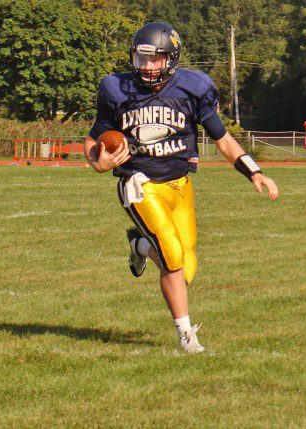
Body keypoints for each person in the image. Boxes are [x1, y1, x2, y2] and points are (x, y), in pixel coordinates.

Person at [84, 22, 279, 353]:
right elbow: (94, 137)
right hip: (138, 183)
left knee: (185, 271)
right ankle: (186, 335)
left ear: (171, 60)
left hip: (179, 185)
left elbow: (223, 140)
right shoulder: (116, 89)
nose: (147, 67)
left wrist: (254, 172)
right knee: (172, 257)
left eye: (155, 59)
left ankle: (140, 246)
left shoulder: (193, 88)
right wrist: (97, 162)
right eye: (141, 59)